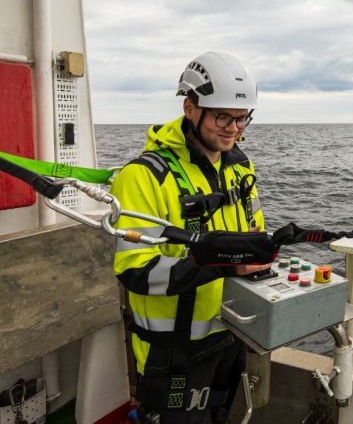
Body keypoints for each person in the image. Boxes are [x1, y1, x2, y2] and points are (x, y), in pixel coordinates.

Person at [110, 52, 270, 424]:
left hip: (231, 336)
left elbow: (253, 234)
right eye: (222, 116)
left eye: (242, 118)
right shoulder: (143, 177)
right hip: (174, 354)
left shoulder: (240, 167)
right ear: (190, 108)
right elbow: (136, 272)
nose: (234, 128)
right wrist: (219, 261)